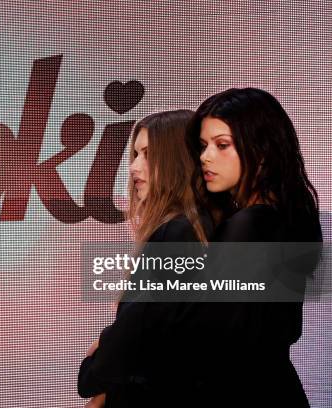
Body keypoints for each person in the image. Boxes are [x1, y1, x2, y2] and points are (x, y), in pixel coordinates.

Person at [183, 87, 322, 406]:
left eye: (222, 145)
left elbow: (211, 339)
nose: (205, 157)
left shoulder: (249, 225)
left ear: (261, 150)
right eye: (203, 146)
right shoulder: (290, 214)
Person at [78, 110, 212, 407]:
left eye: (149, 154)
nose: (134, 167)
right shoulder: (193, 227)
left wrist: (97, 362)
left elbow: (140, 338)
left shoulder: (178, 233)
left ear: (178, 160)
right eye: (135, 154)